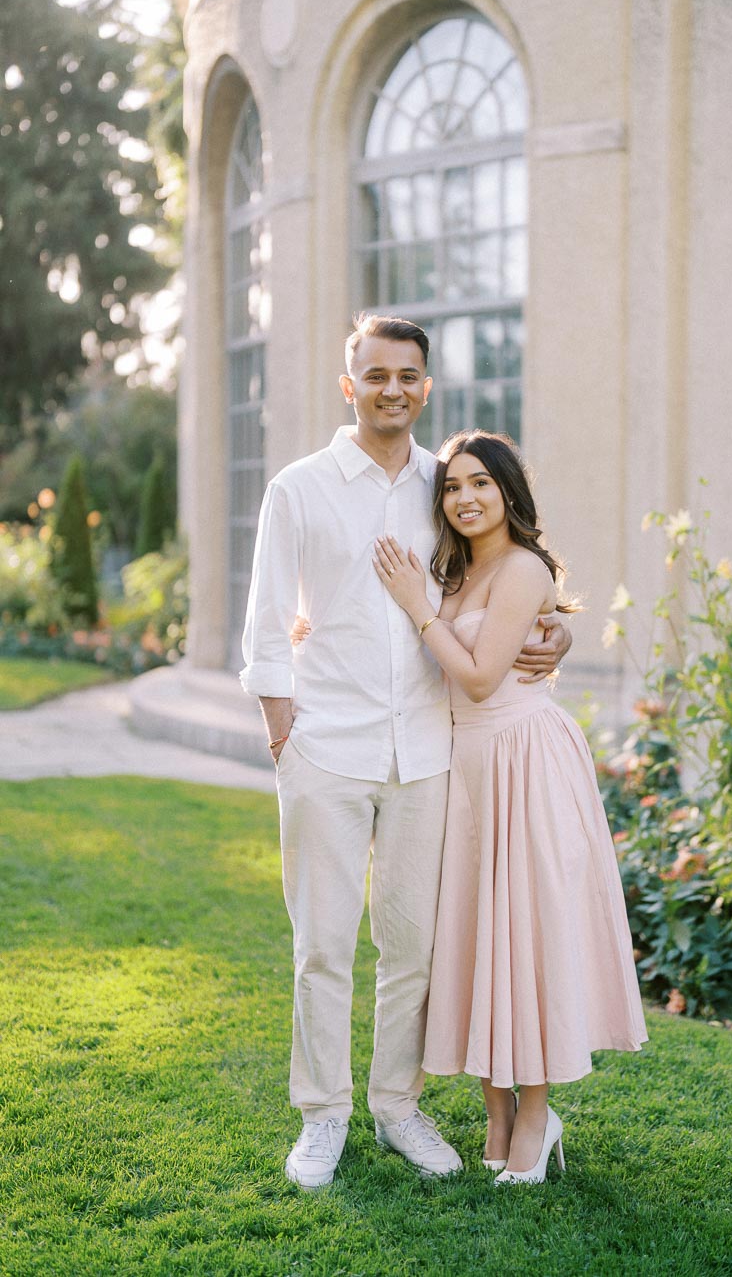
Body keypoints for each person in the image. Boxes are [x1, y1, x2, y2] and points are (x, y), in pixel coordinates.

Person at [239, 315, 571, 1189]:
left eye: (408, 375)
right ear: (349, 385)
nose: (393, 388)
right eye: (376, 374)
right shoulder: (299, 489)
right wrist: (283, 735)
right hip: (326, 747)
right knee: (322, 947)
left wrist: (552, 631)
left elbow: (508, 572)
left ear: (426, 388)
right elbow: (267, 623)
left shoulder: (447, 485)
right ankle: (322, 1116)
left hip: (429, 752)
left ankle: (396, 1107)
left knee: (413, 950)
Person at [373, 430, 648, 1186]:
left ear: (508, 492)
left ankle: (536, 1116)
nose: (465, 498)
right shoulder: (456, 571)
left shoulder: (523, 568)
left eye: (480, 484)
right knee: (480, 938)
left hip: (523, 762)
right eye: (451, 487)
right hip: (466, 769)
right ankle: (497, 1114)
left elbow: (480, 676)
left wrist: (417, 609)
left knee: (527, 936)